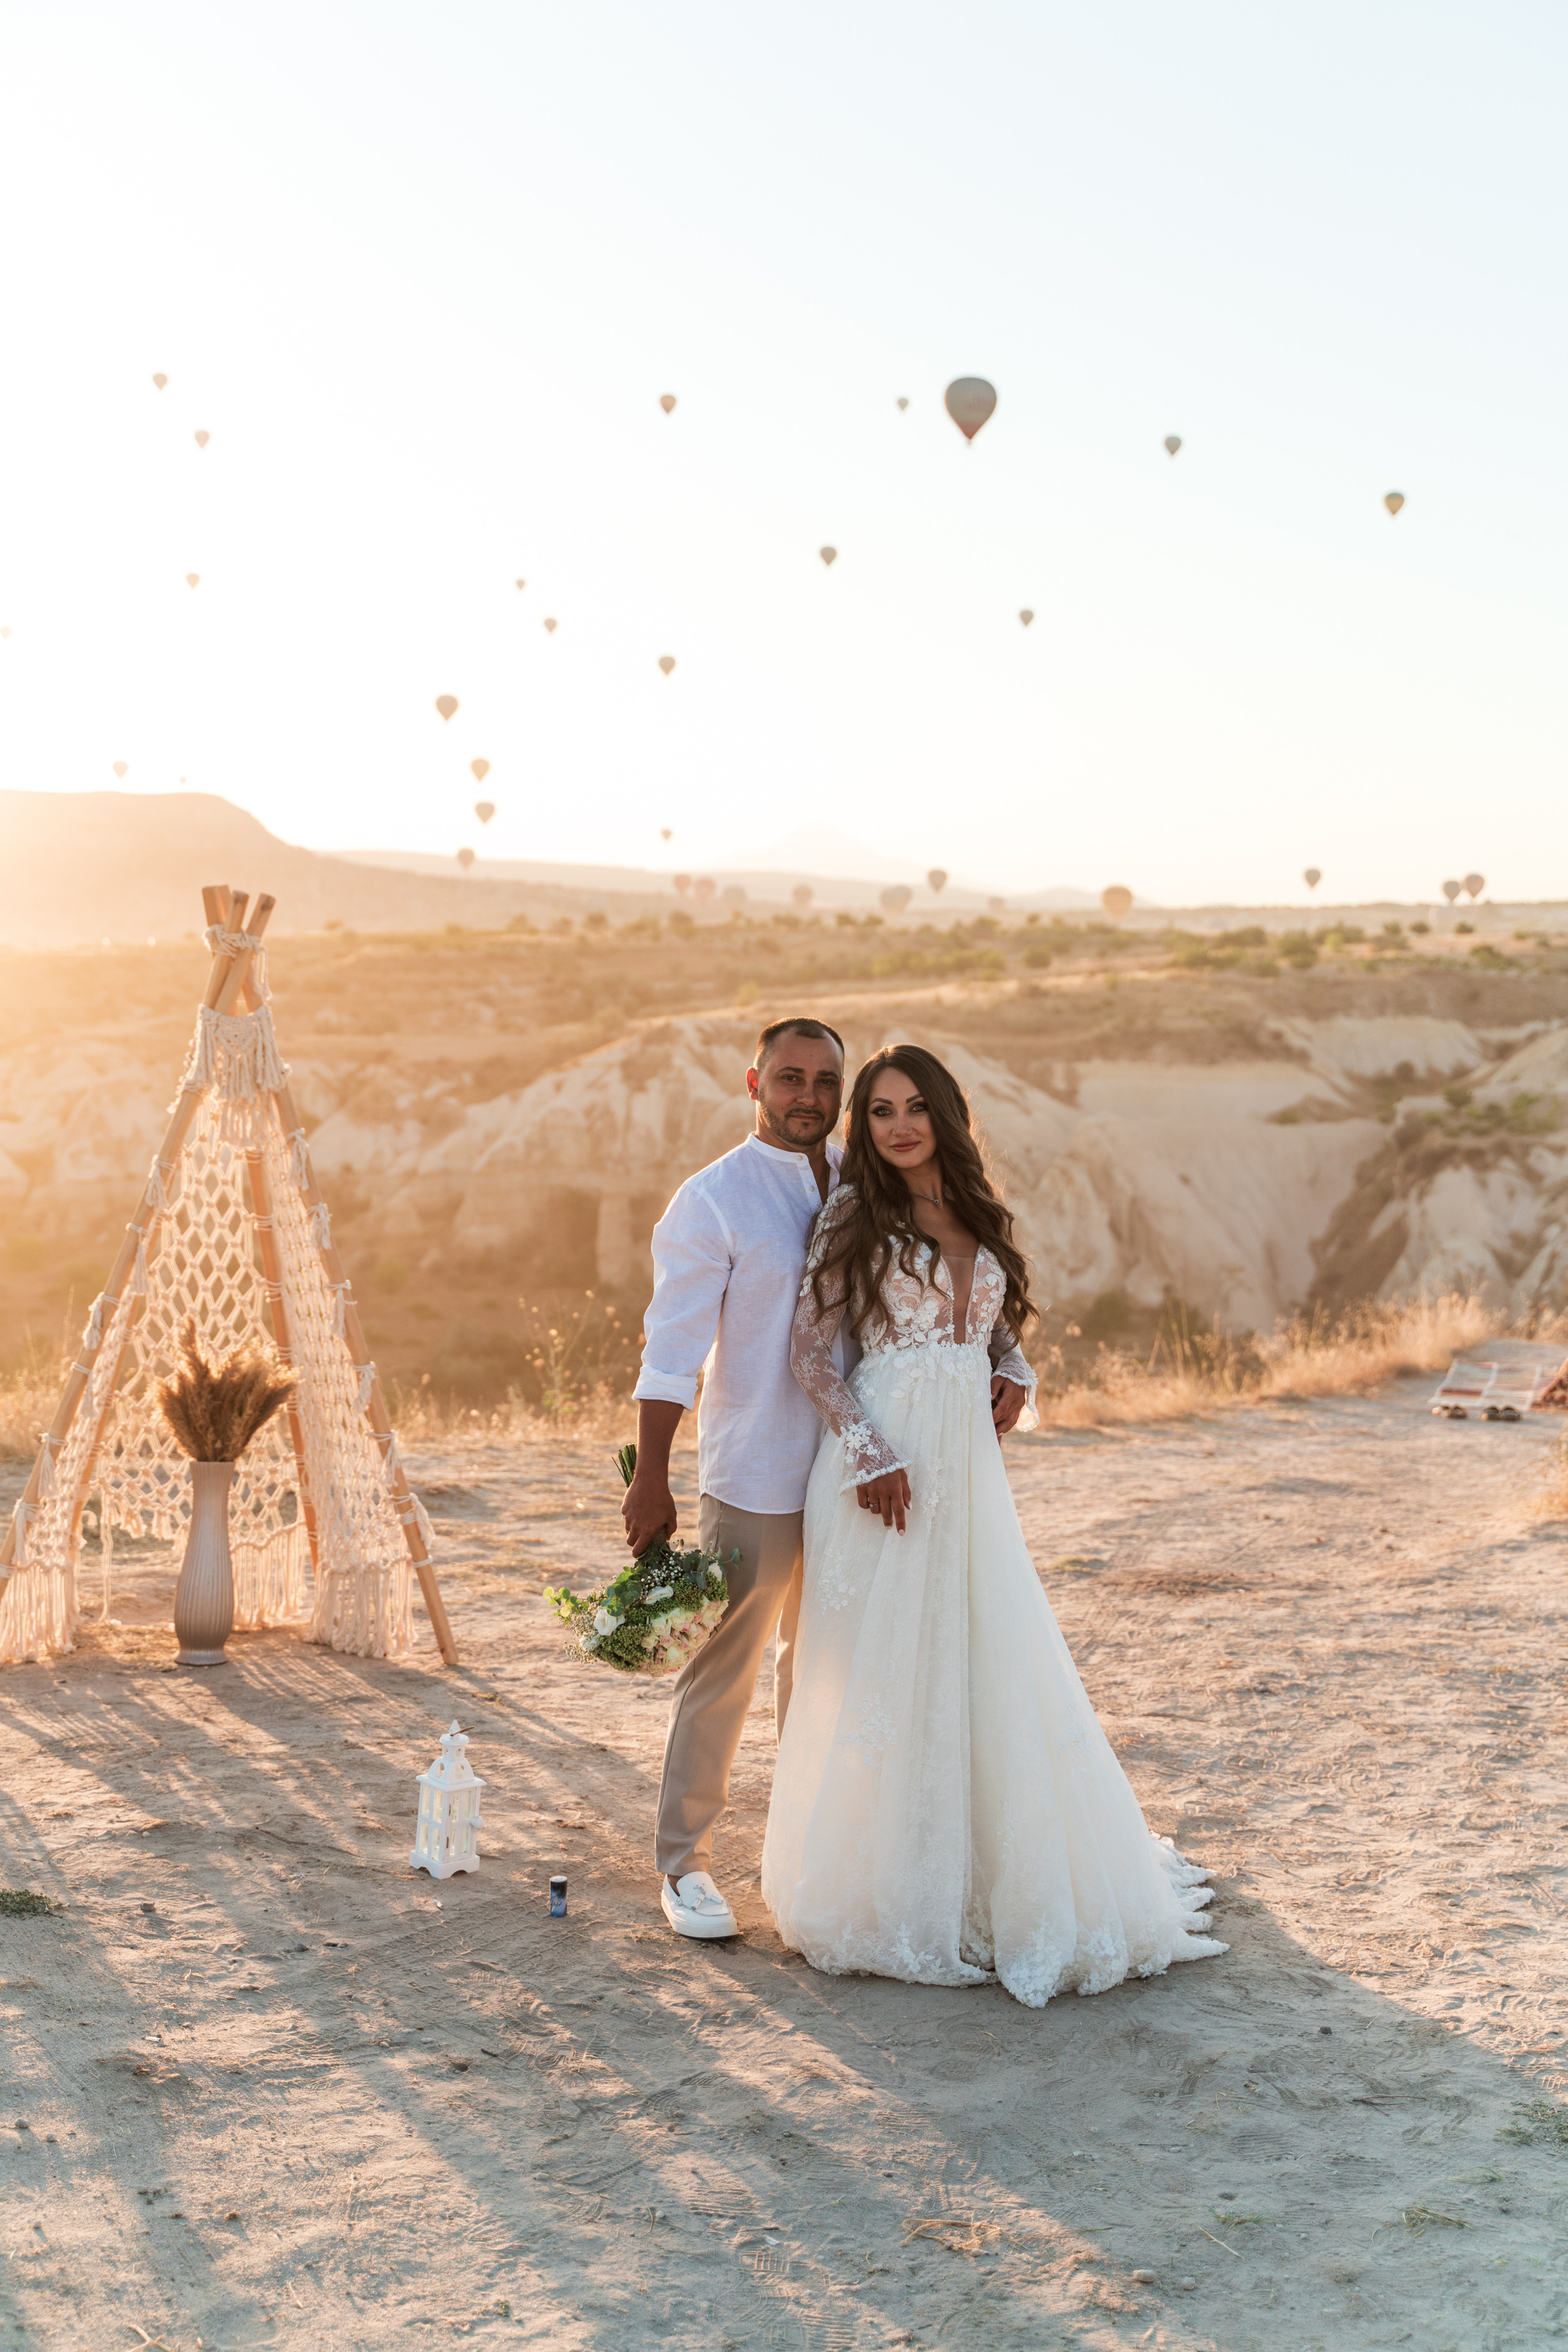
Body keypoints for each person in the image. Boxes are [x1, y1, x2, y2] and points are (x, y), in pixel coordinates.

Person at [763, 1043, 1227, 2006]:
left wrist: (1019, 1370)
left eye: (914, 1108)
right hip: (882, 1463)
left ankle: (980, 1869)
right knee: (889, 1670)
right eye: (879, 1110)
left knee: (978, 1656)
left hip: (966, 1470)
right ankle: (891, 1884)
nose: (896, 1126)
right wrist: (867, 1451)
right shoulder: (856, 1209)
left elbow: (989, 1322)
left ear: (945, 1116)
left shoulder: (974, 1208)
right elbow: (811, 1351)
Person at [624, 1016, 847, 1940]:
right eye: (790, 1078)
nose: (809, 1097)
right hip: (754, 1470)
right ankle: (685, 1865)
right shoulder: (712, 1199)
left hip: (852, 1474)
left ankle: (802, 1852)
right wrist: (653, 1479)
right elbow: (671, 1352)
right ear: (754, 1082)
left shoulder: (863, 1185)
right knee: (726, 1671)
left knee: (829, 1672)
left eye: (826, 1082)